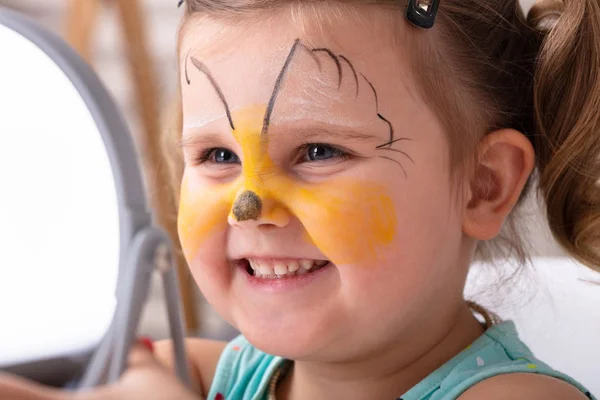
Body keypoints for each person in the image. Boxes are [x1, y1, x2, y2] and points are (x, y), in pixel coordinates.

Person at [1, 0, 599, 398]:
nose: (249, 206)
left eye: (317, 151)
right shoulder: (225, 373)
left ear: (483, 184)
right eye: (218, 157)